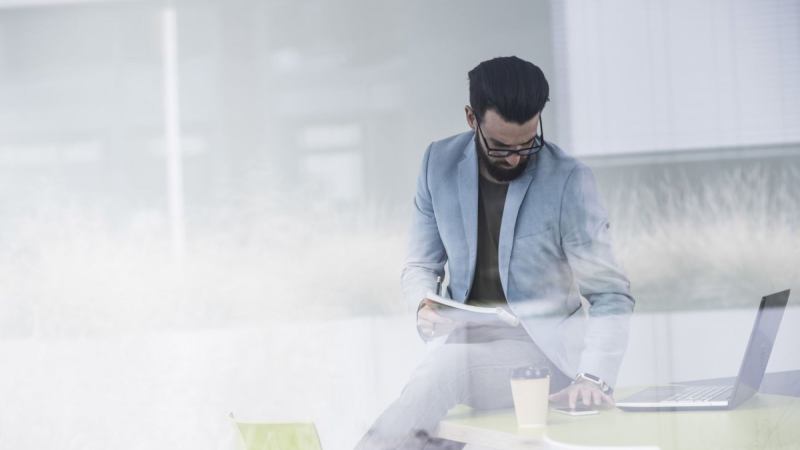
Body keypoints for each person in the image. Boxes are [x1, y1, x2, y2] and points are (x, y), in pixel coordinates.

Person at [355, 56, 634, 450]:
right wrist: (422, 304)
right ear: (472, 119)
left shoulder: (569, 180)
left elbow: (609, 292)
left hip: (541, 356)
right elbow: (420, 264)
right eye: (501, 147)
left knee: (448, 368)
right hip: (461, 344)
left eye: (528, 143)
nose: (516, 157)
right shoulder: (438, 164)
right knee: (440, 393)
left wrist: (594, 377)